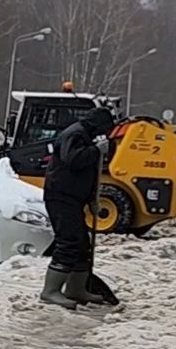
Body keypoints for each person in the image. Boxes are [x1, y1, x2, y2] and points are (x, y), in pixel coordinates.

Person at [40, 106, 115, 308]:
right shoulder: (75, 134)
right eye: (105, 129)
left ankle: (76, 289)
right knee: (69, 241)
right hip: (60, 196)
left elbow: (88, 173)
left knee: (82, 243)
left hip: (74, 198)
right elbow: (72, 160)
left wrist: (92, 199)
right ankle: (50, 291)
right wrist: (95, 151)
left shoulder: (87, 136)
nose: (105, 133)